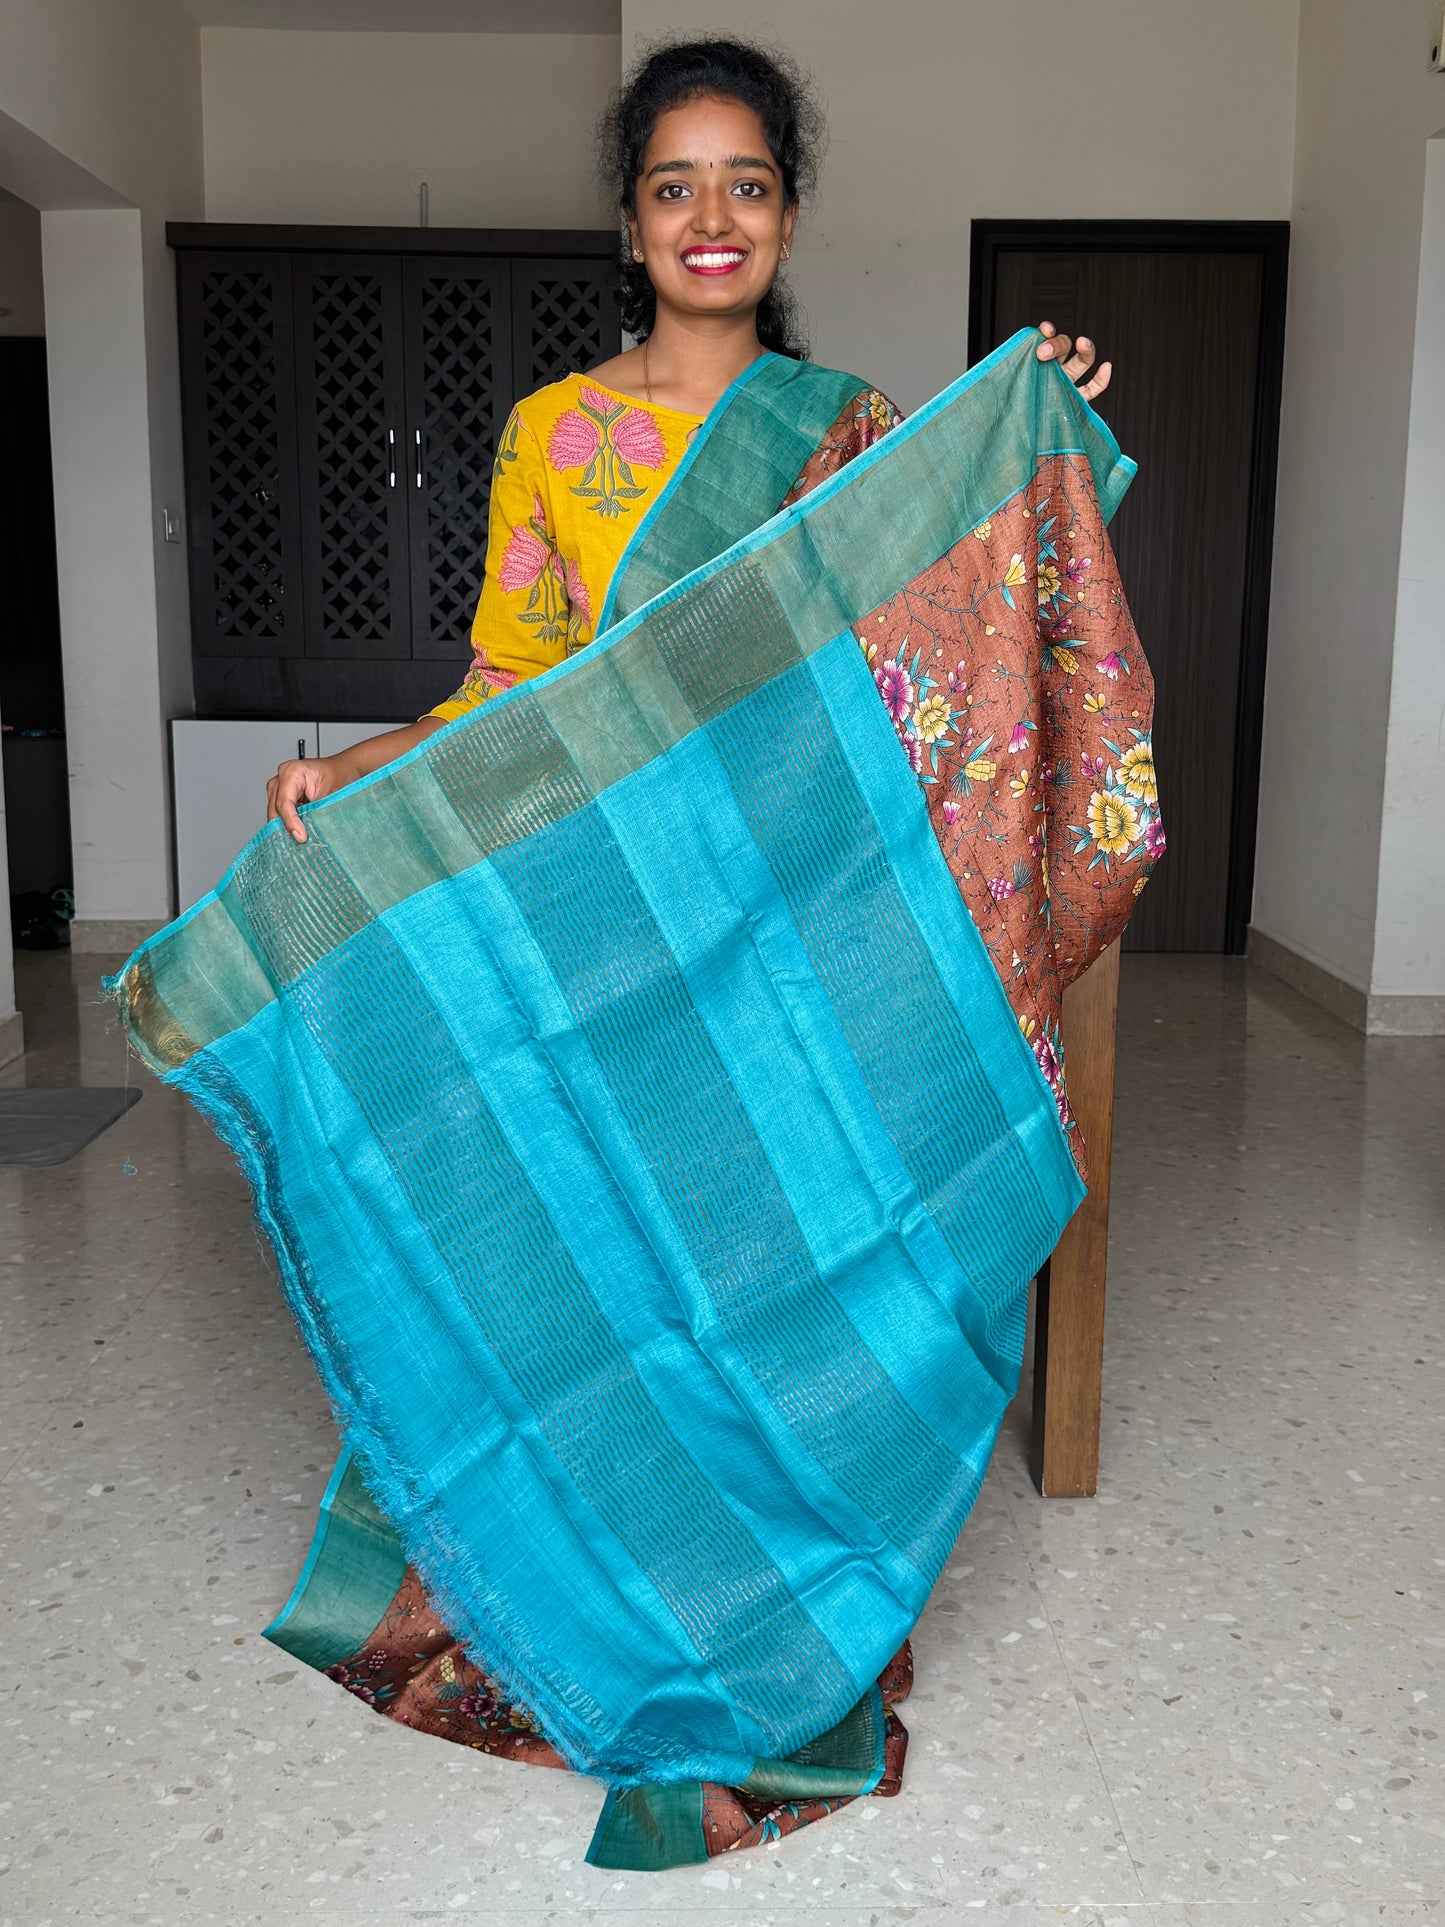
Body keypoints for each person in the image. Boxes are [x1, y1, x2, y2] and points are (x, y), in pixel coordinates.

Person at [265, 37, 1111, 844]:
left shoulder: (848, 425)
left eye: (748, 188)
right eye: (673, 190)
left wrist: (1034, 447)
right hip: (615, 860)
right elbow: (508, 691)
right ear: (633, 226)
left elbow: (941, 639)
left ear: (786, 222)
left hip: (800, 862)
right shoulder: (551, 430)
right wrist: (348, 766)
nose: (712, 220)